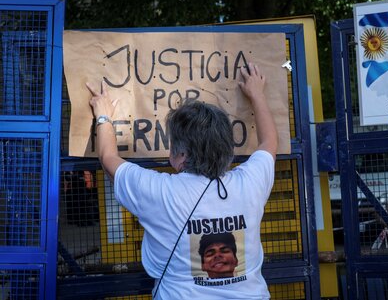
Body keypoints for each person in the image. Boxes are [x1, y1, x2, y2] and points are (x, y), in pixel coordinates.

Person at [88, 63, 277, 299]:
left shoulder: (160, 191)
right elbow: (269, 143)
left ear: (181, 156)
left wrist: (103, 115)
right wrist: (257, 94)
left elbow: (108, 159)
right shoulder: (250, 183)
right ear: (228, 149)